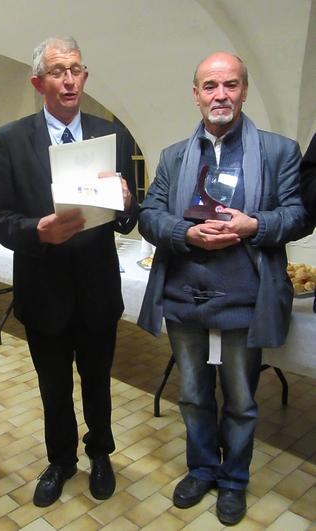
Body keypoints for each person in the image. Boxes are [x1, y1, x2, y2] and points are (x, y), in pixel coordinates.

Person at [137, 52, 313, 526]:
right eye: (210, 86)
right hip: (184, 299)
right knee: (193, 395)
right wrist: (184, 233)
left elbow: (299, 215)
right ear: (196, 94)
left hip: (243, 301)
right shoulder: (174, 156)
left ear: (245, 90)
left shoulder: (279, 151)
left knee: (240, 399)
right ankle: (201, 469)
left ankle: (234, 479)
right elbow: (149, 215)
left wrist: (256, 224)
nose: (221, 95)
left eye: (230, 85)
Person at [0, 36, 138, 507]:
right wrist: (38, 231)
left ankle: (100, 454)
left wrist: (129, 204)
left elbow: (128, 214)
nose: (68, 79)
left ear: (85, 77)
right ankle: (61, 461)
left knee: (98, 381)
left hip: (96, 286)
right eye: (57, 71)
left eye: (75, 69)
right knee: (53, 386)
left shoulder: (109, 135)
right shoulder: (11, 139)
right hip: (43, 286)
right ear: (39, 82)